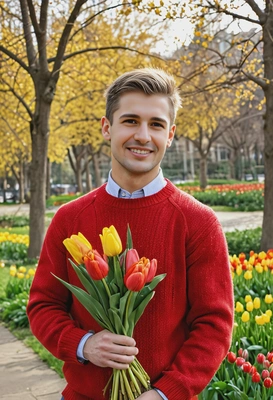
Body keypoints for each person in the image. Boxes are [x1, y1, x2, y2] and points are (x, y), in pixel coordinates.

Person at [27, 68, 234, 400]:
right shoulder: (70, 219)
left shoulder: (198, 222)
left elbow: (214, 325)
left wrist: (166, 393)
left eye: (156, 124)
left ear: (170, 135)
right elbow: (44, 305)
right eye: (130, 120)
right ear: (107, 128)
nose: (143, 135)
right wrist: (84, 345)